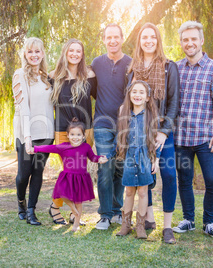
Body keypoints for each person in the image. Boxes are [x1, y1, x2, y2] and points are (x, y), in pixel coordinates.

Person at [173, 21, 213, 239]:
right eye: (185, 40)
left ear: (201, 41)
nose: (190, 43)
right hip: (181, 138)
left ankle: (209, 222)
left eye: (193, 39)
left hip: (207, 138)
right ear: (181, 43)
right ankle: (188, 219)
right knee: (184, 181)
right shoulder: (175, 68)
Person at [126, 23, 180, 244]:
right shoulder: (132, 68)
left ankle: (167, 227)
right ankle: (147, 218)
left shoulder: (169, 67)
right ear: (139, 41)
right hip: (139, 131)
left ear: (158, 40)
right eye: (144, 37)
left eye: (153, 37)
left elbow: (174, 102)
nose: (149, 41)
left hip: (162, 131)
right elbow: (128, 101)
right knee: (145, 175)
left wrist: (164, 132)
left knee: (168, 174)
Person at [47, 38, 97, 226]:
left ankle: (72, 213)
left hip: (85, 131)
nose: (75, 54)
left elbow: (102, 96)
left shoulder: (89, 75)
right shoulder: (53, 76)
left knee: (79, 172)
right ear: (65, 52)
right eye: (71, 50)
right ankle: (55, 206)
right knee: (69, 172)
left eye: (79, 51)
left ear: (82, 54)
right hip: (62, 132)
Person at [31, 119, 108, 232]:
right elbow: (49, 148)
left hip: (81, 178)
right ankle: (73, 209)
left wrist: (100, 159)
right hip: (67, 177)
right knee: (62, 194)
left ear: (83, 136)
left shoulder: (86, 147)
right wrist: (35, 149)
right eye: (72, 134)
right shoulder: (63, 147)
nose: (75, 137)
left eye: (78, 134)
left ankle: (76, 223)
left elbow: (93, 157)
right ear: (67, 135)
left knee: (78, 201)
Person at [91, 24, 132, 230]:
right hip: (102, 124)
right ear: (104, 39)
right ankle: (105, 215)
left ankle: (117, 210)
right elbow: (91, 89)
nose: (112, 41)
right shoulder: (96, 63)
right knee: (105, 167)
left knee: (119, 169)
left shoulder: (131, 63)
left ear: (122, 38)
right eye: (109, 37)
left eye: (116, 37)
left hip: (125, 125)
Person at [12, 37, 54, 225]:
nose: (34, 55)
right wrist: (27, 137)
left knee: (38, 172)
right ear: (25, 54)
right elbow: (24, 108)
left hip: (46, 133)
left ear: (43, 54)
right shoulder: (20, 74)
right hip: (26, 132)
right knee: (23, 174)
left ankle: (31, 211)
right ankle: (21, 202)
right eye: (30, 51)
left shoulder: (47, 77)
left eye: (38, 51)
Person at [113, 81, 160, 239]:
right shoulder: (124, 114)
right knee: (129, 191)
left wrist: (156, 160)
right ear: (129, 94)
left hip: (145, 157)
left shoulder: (151, 115)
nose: (137, 95)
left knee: (143, 191)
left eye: (141, 92)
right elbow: (119, 136)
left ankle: (140, 225)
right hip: (129, 157)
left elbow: (156, 140)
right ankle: (126, 224)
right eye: (134, 92)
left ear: (147, 97)